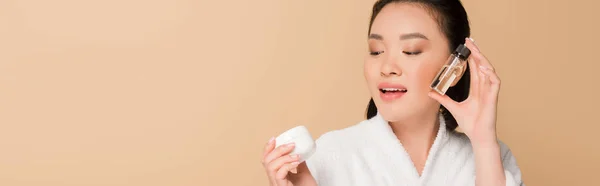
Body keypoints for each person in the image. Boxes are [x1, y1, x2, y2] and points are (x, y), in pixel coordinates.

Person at [261, 0, 524, 185]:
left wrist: (483, 141)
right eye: (376, 51)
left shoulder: (492, 157)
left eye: (410, 51)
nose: (386, 67)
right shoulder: (328, 155)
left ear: (454, 67)